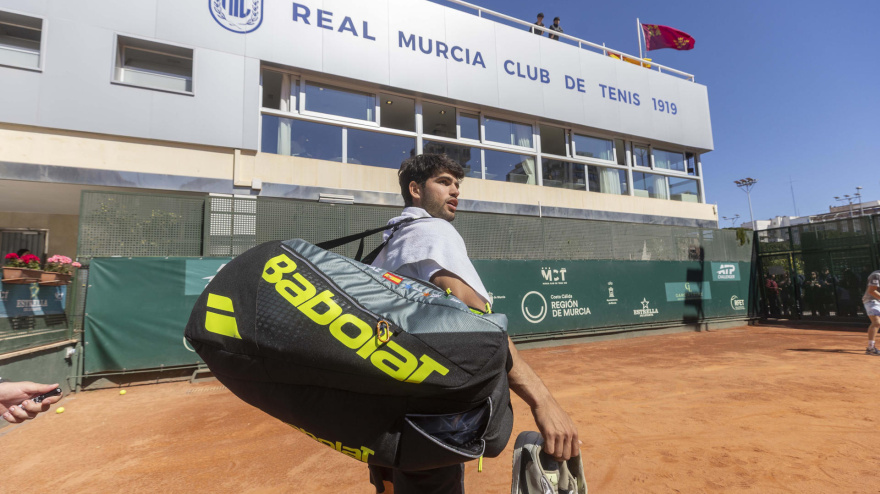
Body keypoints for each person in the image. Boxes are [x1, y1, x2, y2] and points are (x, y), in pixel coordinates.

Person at [369, 154, 579, 494]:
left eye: (457, 184)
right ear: (415, 189)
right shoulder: (433, 231)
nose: (454, 191)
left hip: (381, 424)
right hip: (427, 421)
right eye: (443, 182)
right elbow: (480, 325)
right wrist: (543, 401)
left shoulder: (389, 242)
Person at [862, 269, 880, 356]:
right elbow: (871, 291)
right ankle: (870, 348)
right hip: (871, 301)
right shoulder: (876, 275)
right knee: (876, 322)